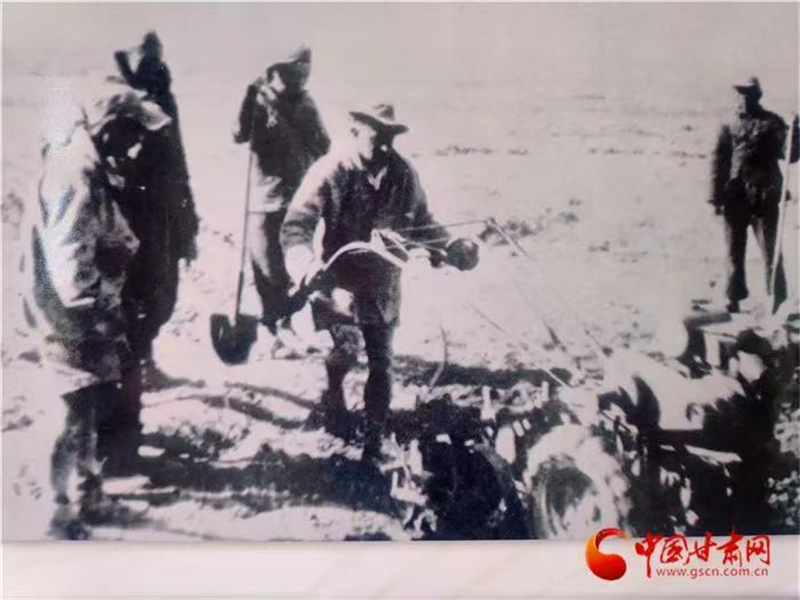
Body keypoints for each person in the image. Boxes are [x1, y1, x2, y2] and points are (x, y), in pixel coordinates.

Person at [281, 103, 479, 461]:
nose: (386, 146)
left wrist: (451, 246)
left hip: (383, 281)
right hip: (339, 279)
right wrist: (304, 265)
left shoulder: (403, 174)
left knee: (381, 360)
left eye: (391, 137)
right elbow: (296, 225)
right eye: (377, 137)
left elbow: (423, 221)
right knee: (346, 347)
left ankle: (373, 439)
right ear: (355, 132)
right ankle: (334, 394)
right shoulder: (331, 170)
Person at [28, 86, 169, 538]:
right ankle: (56, 511)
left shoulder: (90, 165)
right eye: (134, 132)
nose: (138, 144)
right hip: (68, 312)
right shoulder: (76, 174)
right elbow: (69, 259)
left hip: (86, 307)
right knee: (72, 405)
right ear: (109, 127)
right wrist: (98, 311)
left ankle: (88, 495)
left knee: (87, 403)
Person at [114, 32, 199, 384]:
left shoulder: (166, 99)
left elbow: (178, 159)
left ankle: (141, 359)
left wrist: (189, 220)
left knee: (164, 295)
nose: (153, 65)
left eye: (156, 57)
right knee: (134, 293)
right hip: (133, 213)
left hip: (166, 210)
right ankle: (134, 366)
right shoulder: (121, 103)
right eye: (146, 59)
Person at [233, 44, 330, 352]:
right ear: (277, 71)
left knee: (297, 267)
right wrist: (249, 98)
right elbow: (238, 134)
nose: (300, 78)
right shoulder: (260, 100)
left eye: (304, 72)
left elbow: (324, 146)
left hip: (299, 199)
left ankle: (285, 325)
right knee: (267, 267)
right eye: (294, 72)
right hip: (264, 198)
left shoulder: (307, 104)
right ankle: (270, 327)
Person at [710, 76, 799, 314]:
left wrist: (796, 132)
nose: (743, 98)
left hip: (765, 197)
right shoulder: (727, 123)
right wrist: (715, 197)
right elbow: (718, 160)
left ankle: (777, 299)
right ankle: (733, 298)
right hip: (735, 196)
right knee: (733, 252)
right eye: (739, 92)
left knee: (771, 253)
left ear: (757, 95)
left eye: (747, 93)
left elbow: (791, 155)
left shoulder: (772, 123)